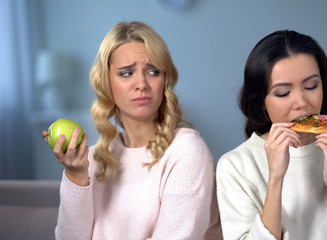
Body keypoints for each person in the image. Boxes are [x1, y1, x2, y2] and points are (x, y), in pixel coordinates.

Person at [42, 21, 222, 240]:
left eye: (153, 71)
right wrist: (76, 175)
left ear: (164, 80)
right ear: (106, 82)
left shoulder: (187, 151)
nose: (141, 84)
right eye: (126, 73)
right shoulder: (93, 158)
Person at [216, 30, 327, 240]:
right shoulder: (235, 166)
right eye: (283, 93)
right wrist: (275, 179)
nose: (302, 103)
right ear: (261, 101)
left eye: (311, 86)